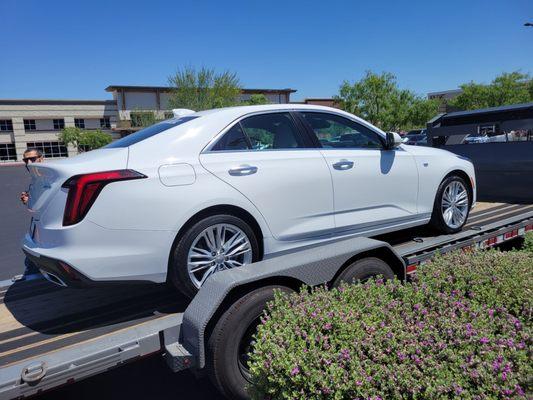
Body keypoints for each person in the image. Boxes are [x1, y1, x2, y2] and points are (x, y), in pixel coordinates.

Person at [20, 148, 44, 278]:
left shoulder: (49, 176)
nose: (29, 163)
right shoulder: (36, 178)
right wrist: (28, 200)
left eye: (32, 159)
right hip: (37, 224)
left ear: (41, 158)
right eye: (25, 160)